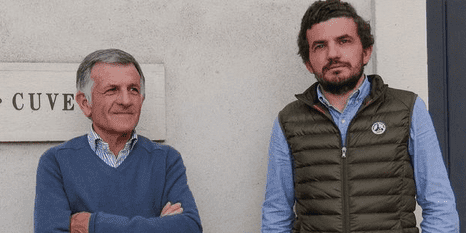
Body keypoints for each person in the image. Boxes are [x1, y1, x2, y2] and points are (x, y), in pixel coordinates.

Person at [261, 1, 459, 232]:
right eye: (320, 46)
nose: (333, 54)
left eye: (343, 41)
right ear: (308, 62)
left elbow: (440, 205)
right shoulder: (289, 121)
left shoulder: (408, 109)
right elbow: (276, 213)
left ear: (366, 51)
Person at [34, 49, 202, 233]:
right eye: (112, 90)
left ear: (142, 99)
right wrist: (158, 226)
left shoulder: (166, 160)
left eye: (133, 90)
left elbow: (189, 227)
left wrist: (95, 225)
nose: (125, 100)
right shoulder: (56, 162)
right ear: (85, 103)